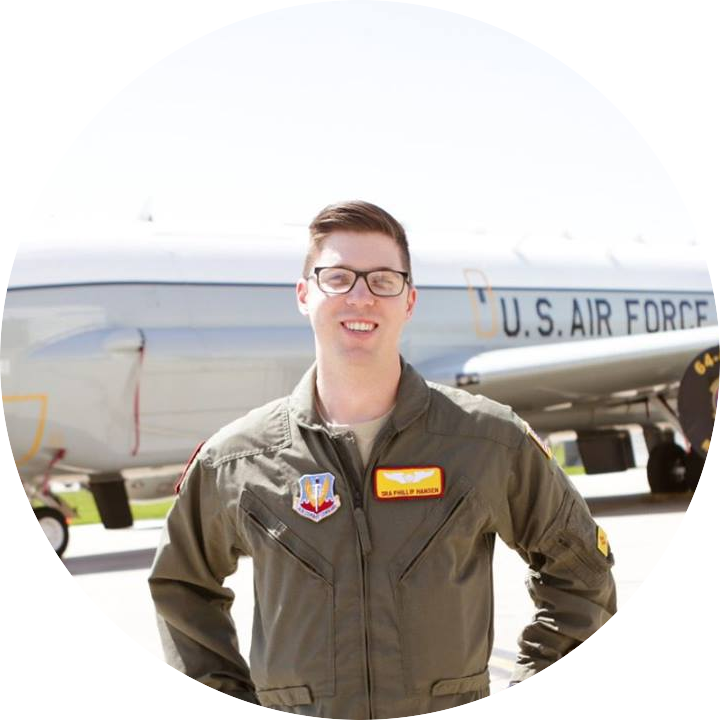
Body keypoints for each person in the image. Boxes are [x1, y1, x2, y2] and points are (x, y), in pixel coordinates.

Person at [148, 200, 616, 718]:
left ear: (409, 301)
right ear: (305, 295)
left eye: (382, 281)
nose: (360, 296)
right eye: (338, 277)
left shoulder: (487, 439)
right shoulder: (236, 459)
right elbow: (181, 586)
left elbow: (582, 572)